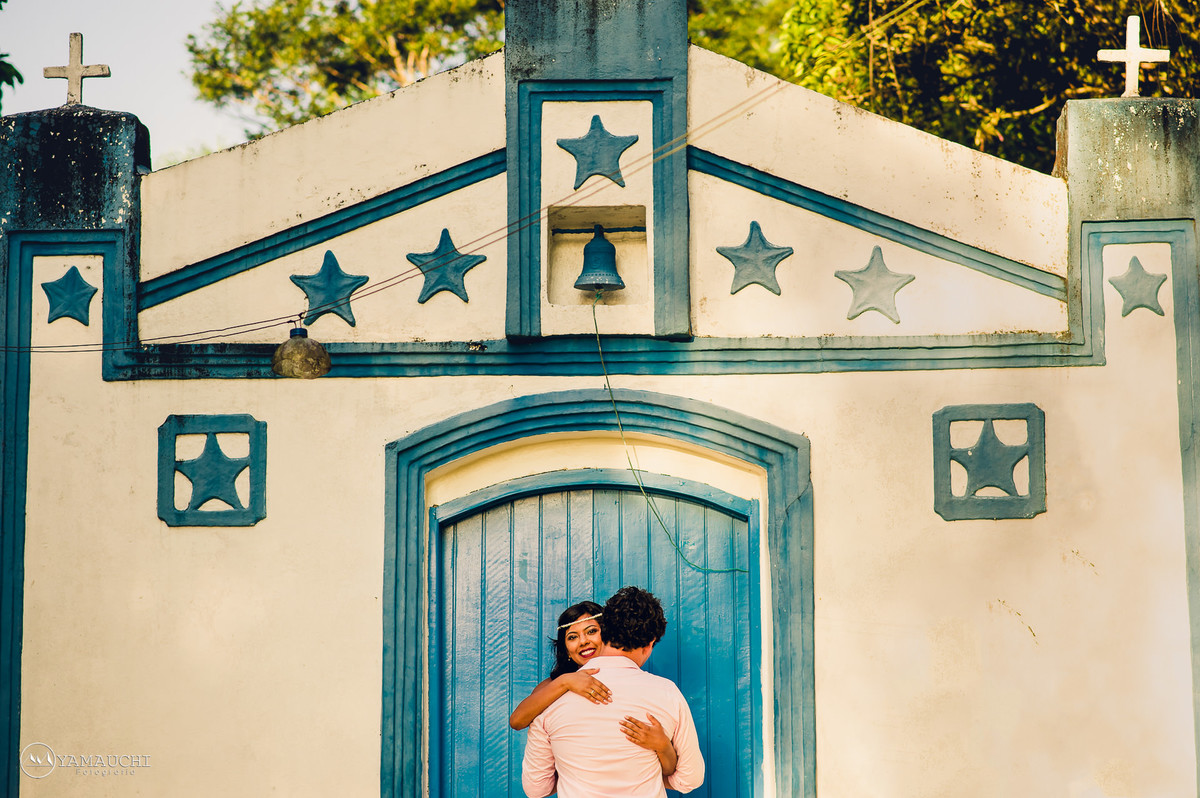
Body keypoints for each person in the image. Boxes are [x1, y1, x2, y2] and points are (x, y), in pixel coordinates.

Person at [521, 586, 705, 797]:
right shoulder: (667, 692)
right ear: (649, 644)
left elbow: (536, 789)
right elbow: (690, 778)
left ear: (604, 631)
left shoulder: (551, 698)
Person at [509, 601, 678, 775]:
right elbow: (517, 721)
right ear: (566, 649)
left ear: (608, 635)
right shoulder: (555, 684)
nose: (583, 641)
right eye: (572, 637)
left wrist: (663, 745)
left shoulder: (636, 681)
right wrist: (565, 682)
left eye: (591, 631)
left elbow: (669, 768)